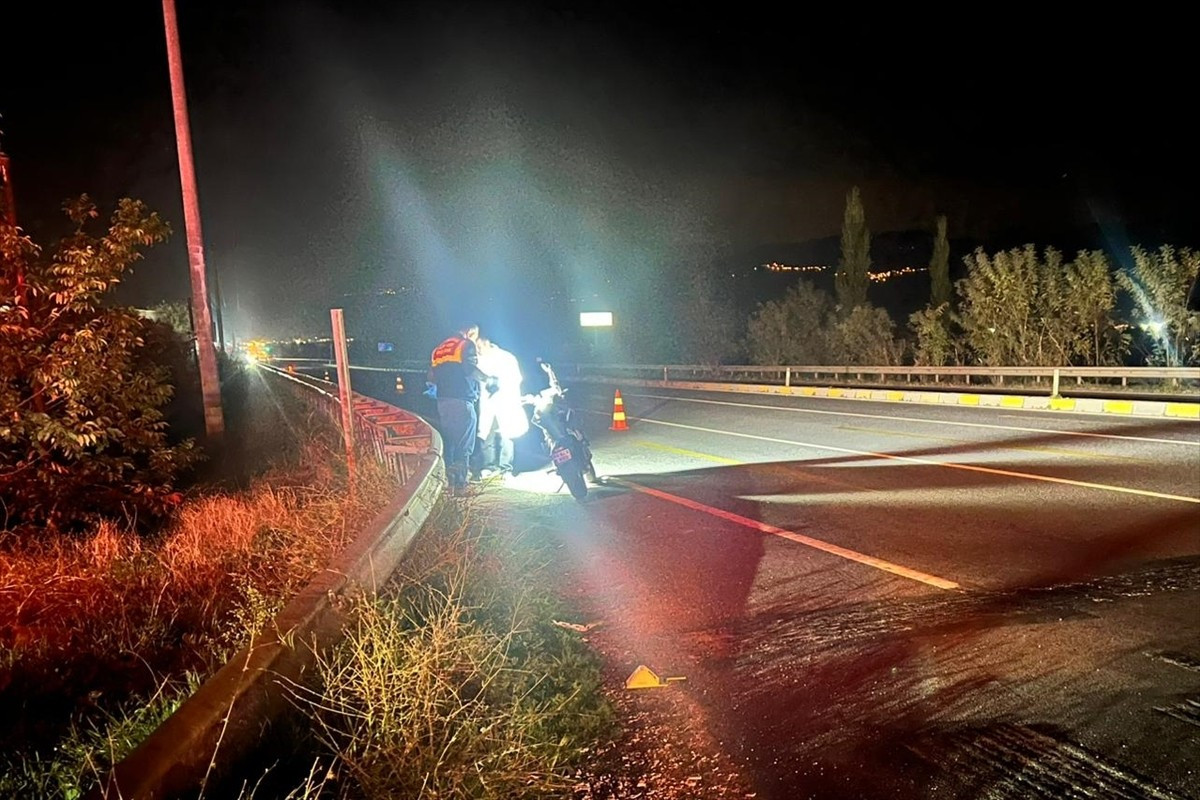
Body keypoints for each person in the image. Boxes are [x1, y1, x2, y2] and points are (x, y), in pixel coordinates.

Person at [429, 323, 489, 493]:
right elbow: (471, 370)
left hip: (443, 400)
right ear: (471, 331)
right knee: (464, 445)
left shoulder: (439, 349)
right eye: (475, 336)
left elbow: (431, 377)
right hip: (462, 400)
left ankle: (447, 483)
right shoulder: (465, 345)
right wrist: (489, 380)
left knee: (450, 442)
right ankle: (461, 485)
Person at [475, 337, 528, 479]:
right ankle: (489, 466)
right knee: (487, 433)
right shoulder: (479, 359)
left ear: (486, 344)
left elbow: (517, 378)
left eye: (479, 347)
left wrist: (501, 388)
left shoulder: (506, 358)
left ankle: (505, 467)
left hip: (506, 400)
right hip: (488, 402)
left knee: (507, 434)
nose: (477, 351)